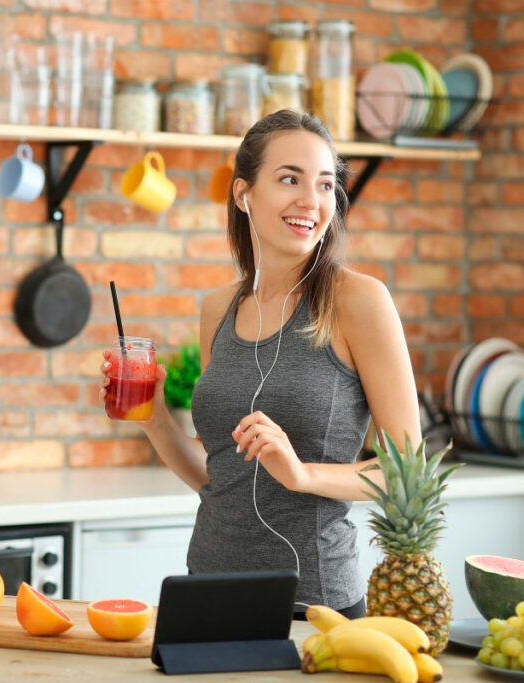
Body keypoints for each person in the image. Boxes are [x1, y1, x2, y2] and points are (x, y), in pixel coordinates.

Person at [99, 110, 422, 618]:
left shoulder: (358, 301)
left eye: (324, 184)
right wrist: (155, 417)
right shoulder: (218, 309)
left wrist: (301, 474)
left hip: (312, 606)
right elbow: (220, 476)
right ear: (243, 193)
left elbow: (408, 474)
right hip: (205, 591)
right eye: (289, 178)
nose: (310, 201)